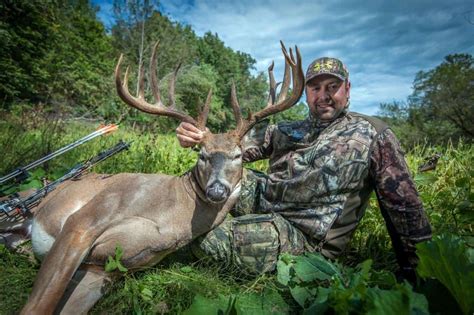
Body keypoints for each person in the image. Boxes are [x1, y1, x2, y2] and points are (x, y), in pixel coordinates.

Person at [176, 57, 432, 282]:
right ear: (305, 92)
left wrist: (419, 271)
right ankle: (159, 205)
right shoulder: (284, 129)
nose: (324, 96)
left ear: (348, 89)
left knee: (197, 234)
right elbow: (230, 148)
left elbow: (405, 208)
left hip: (304, 238)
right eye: (315, 87)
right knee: (201, 178)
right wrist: (198, 138)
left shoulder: (371, 134)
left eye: (333, 87)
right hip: (266, 202)